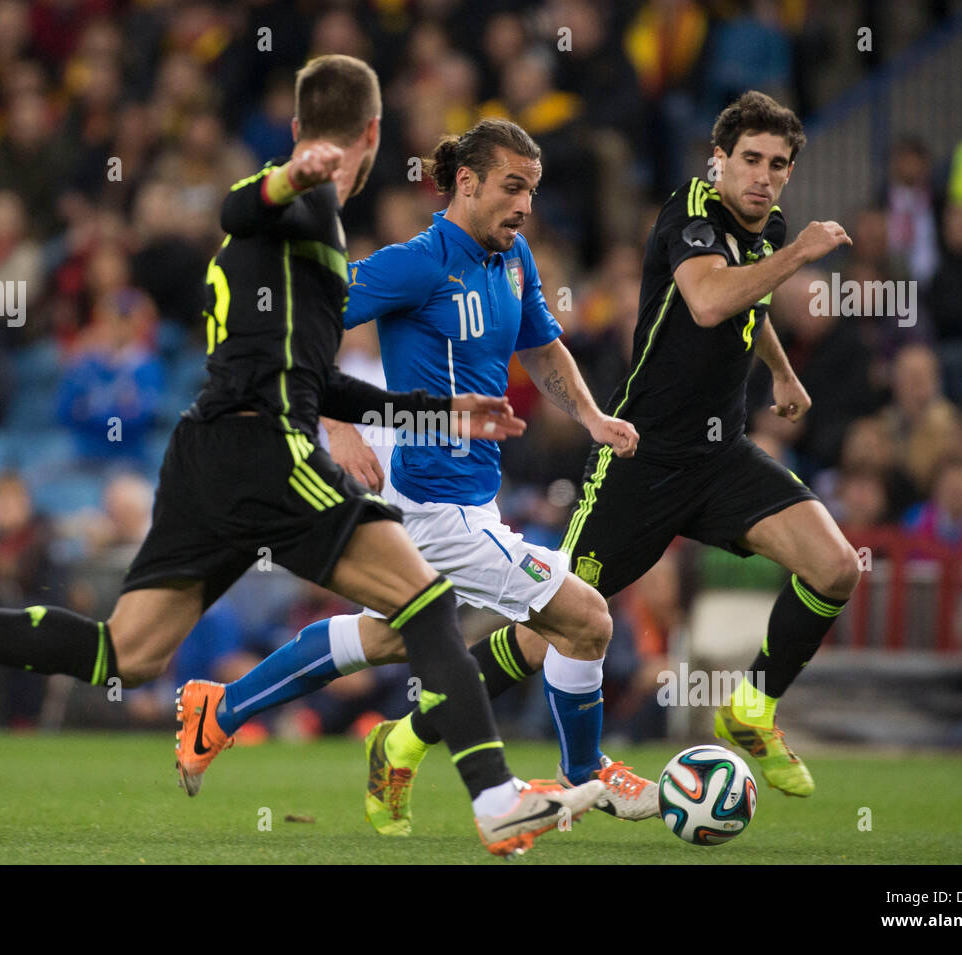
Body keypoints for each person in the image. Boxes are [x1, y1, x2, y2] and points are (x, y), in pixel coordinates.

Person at [0, 55, 603, 857]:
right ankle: (493, 800)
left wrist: (431, 411)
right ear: (374, 135)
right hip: (264, 449)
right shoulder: (303, 206)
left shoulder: (310, 245)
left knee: (125, 652)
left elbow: (319, 380)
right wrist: (288, 179)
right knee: (424, 602)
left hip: (205, 452)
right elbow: (240, 205)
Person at [179, 119, 656, 838]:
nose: (525, 205)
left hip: (462, 497)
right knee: (585, 618)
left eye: (532, 189)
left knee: (391, 636)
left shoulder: (514, 257)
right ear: (466, 183)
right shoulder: (417, 263)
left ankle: (224, 707)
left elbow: (544, 345)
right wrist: (336, 426)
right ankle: (583, 775)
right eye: (512, 187)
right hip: (437, 501)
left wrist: (591, 416)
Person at [559, 90, 862, 797]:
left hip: (719, 457)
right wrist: (798, 255)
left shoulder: (767, 227)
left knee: (836, 567)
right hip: (642, 455)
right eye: (750, 159)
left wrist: (782, 370)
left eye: (778, 165)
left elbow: (745, 305)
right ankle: (412, 732)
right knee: (554, 627)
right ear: (718, 160)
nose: (763, 176)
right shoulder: (690, 213)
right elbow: (709, 300)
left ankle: (753, 705)